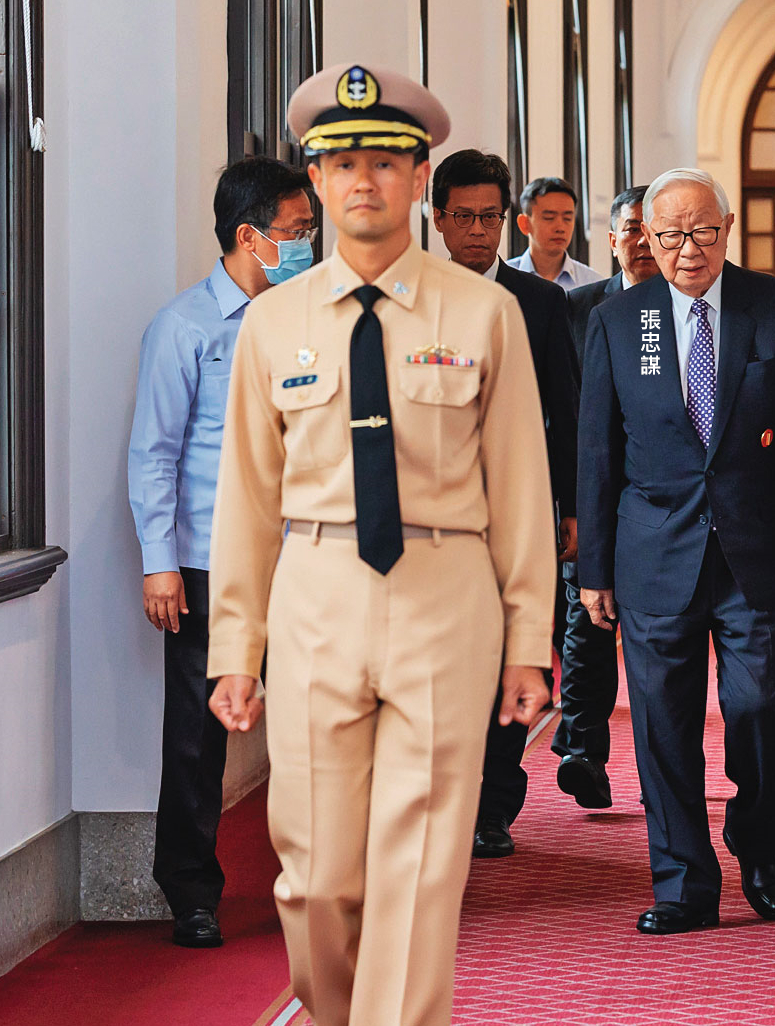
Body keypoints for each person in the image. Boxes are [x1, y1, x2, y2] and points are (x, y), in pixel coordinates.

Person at [206, 63, 556, 1025]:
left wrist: (531, 637)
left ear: (419, 178)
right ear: (314, 183)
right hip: (316, 595)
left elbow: (521, 486)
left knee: (420, 871)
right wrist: (234, 649)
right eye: (342, 162)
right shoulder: (273, 323)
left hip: (448, 595)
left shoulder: (485, 313)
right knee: (316, 876)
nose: (364, 180)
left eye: (386, 162)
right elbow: (244, 499)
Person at [578, 167, 775, 936]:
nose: (686, 250)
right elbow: (597, 453)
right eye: (668, 236)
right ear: (644, 240)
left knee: (758, 709)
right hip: (653, 553)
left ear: (728, 227)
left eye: (700, 232)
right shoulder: (621, 321)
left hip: (759, 552)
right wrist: (592, 568)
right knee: (662, 726)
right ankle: (684, 882)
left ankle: (757, 845)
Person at [126, 155, 314, 949]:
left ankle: (321, 883)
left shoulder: (307, 319)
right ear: (249, 237)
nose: (307, 245)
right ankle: (192, 893)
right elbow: (154, 451)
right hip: (208, 564)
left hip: (303, 554)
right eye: (296, 233)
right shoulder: (184, 329)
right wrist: (157, 559)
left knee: (315, 725)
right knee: (198, 737)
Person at [429, 148, 579, 857]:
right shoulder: (409, 297)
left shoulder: (540, 303)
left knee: (517, 653)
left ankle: (494, 802)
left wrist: (573, 507)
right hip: (431, 518)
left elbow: (567, 409)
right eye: (464, 216)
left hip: (518, 513)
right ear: (437, 220)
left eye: (490, 216)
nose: (479, 231)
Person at [549, 185, 661, 810]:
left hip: (659, 500)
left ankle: (659, 765)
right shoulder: (578, 308)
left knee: (652, 633)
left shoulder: (687, 306)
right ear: (611, 239)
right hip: (592, 493)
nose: (642, 242)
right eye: (631, 230)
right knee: (584, 623)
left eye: (653, 229)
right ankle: (582, 749)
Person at [509, 175, 606, 289]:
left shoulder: (593, 284)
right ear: (524, 223)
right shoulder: (503, 279)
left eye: (567, 218)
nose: (560, 227)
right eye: (549, 217)